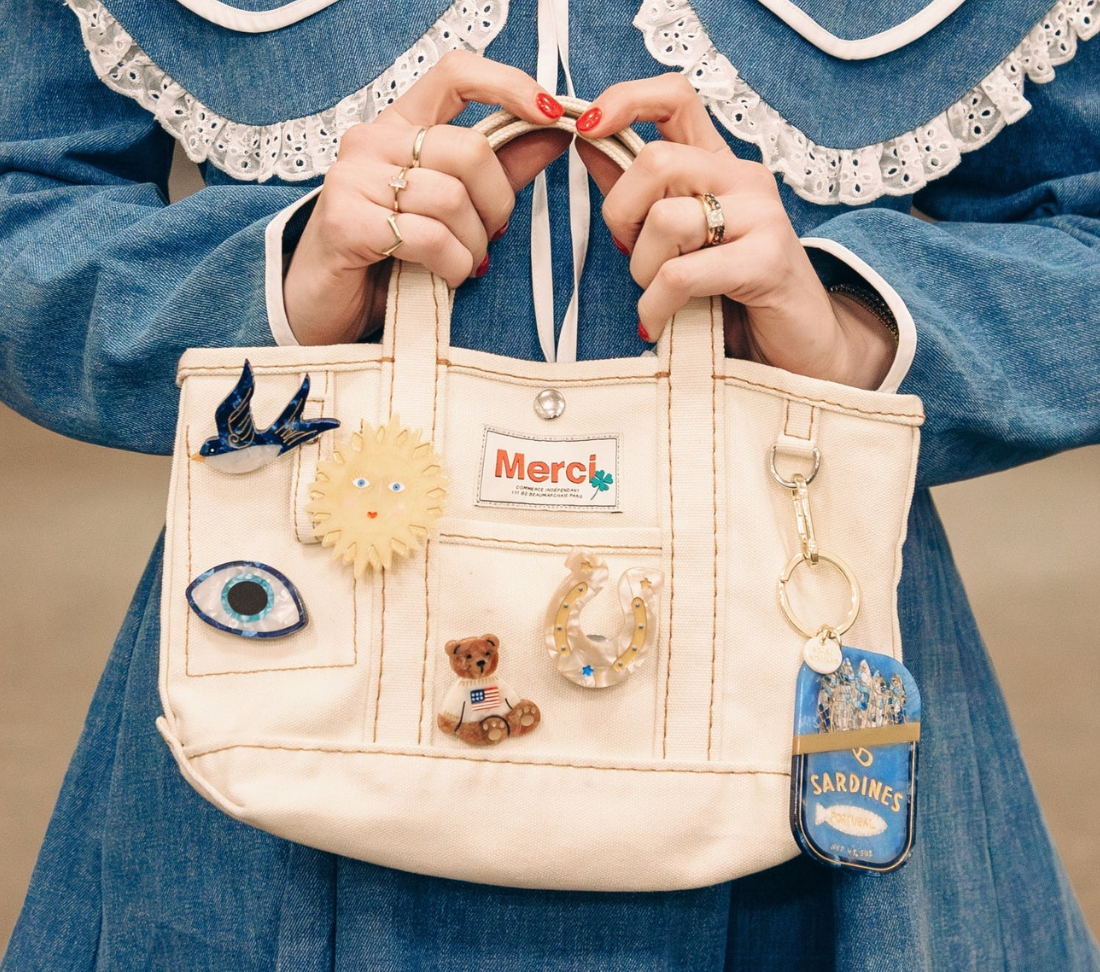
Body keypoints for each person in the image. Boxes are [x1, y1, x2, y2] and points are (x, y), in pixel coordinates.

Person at [1, 0, 1098, 968]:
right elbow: (26, 206)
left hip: (794, 648)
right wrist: (287, 282)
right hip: (296, 677)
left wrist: (850, 328)